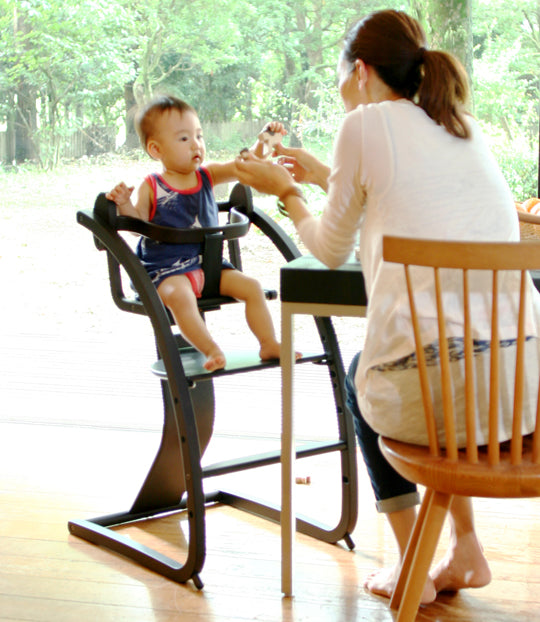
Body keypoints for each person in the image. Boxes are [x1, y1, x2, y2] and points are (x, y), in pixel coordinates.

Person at [234, 9, 540, 605]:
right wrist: (327, 178)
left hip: (451, 395)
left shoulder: (366, 123)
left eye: (342, 75)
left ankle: (413, 564)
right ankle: (465, 549)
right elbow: (401, 194)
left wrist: (287, 193)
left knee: (365, 376)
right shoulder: (459, 124)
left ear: (363, 71)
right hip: (524, 392)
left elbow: (327, 249)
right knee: (451, 369)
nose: (341, 87)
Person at [107, 95, 288, 372]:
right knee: (181, 298)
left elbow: (244, 165)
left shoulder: (207, 175)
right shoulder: (152, 186)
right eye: (184, 139)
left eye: (199, 136)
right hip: (167, 271)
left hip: (209, 267)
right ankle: (210, 349)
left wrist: (265, 142)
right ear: (156, 149)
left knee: (251, 287)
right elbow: (138, 225)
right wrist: (125, 205)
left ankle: (268, 343)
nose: (196, 144)